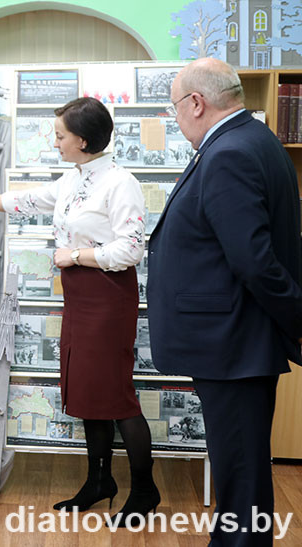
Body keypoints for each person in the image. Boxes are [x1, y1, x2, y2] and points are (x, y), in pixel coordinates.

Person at [0, 97, 158, 526]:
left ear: (82, 140)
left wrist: (75, 256)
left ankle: (144, 490)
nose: (55, 142)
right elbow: (29, 200)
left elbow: (131, 249)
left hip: (108, 298)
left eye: (61, 135)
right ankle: (99, 482)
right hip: (79, 296)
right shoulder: (73, 178)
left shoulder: (120, 183)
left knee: (117, 396)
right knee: (89, 392)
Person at [148, 58, 302, 546]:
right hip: (234, 340)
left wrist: (298, 320)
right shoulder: (252, 140)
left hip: (232, 342)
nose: (176, 118)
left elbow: (254, 261)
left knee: (240, 471)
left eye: (175, 107)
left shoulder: (229, 152)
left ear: (196, 102)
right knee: (240, 469)